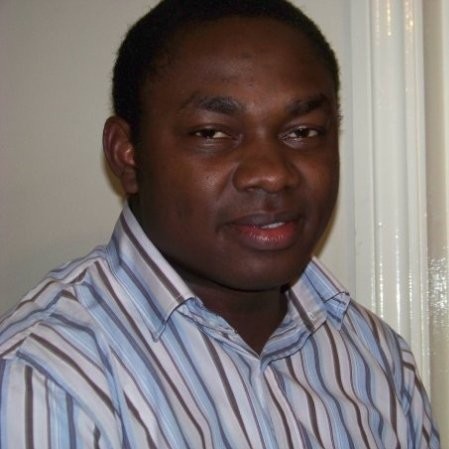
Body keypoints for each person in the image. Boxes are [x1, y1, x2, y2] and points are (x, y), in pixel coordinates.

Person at [0, 0, 440, 447]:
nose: (272, 173)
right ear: (127, 154)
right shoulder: (46, 379)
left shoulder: (378, 362)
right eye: (212, 133)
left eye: (303, 132)